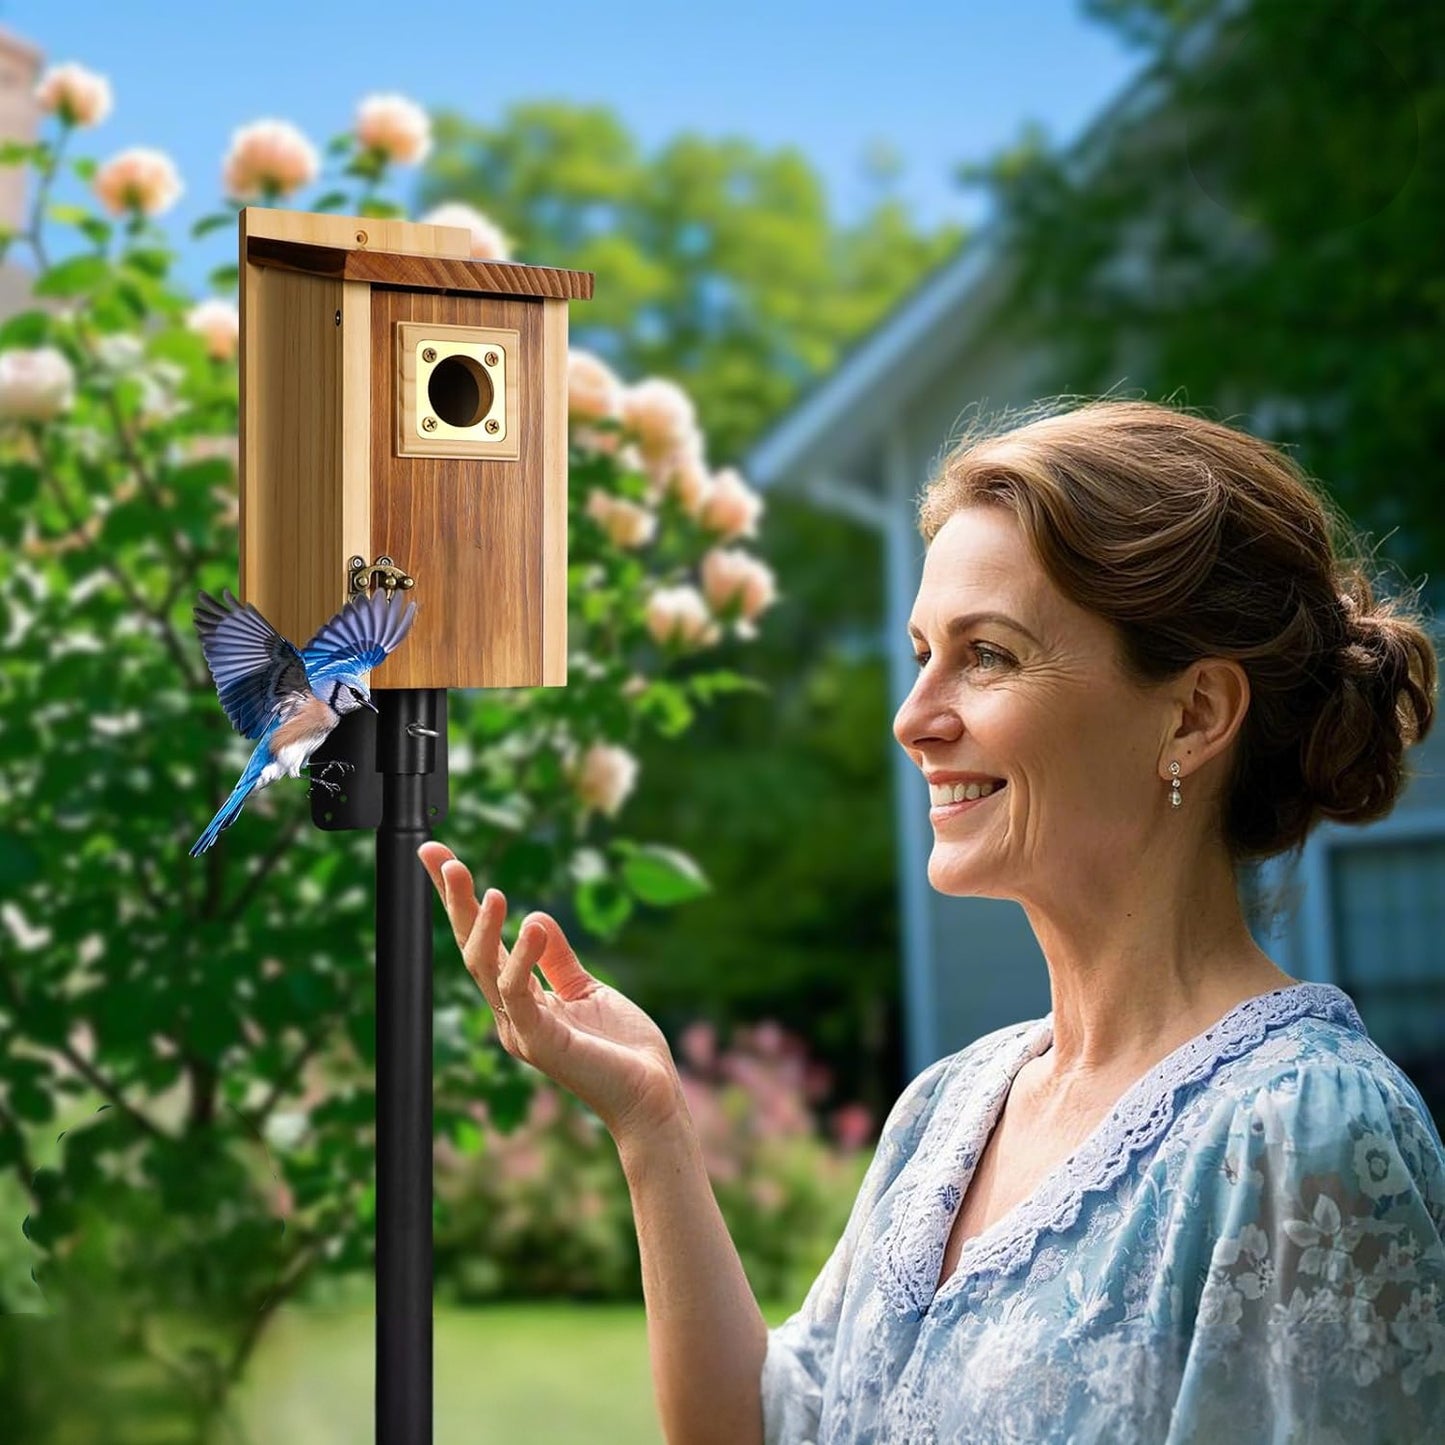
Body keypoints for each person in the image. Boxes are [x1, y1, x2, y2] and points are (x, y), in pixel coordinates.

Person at [419, 396, 1445, 1444]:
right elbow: (766, 1426)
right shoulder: (947, 1110)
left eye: (987, 653)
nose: (914, 717)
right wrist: (651, 1126)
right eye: (921, 652)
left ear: (1191, 714)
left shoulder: (1298, 1133)